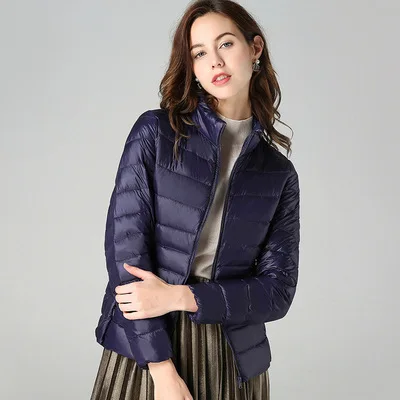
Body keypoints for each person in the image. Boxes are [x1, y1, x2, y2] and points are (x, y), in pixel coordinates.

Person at [90, 1, 300, 399]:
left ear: (255, 48)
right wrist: (162, 371)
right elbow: (127, 260)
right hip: (149, 345)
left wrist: (181, 296)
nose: (215, 61)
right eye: (199, 53)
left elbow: (277, 292)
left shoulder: (278, 174)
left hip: (233, 356)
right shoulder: (155, 134)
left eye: (226, 44)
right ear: (192, 67)